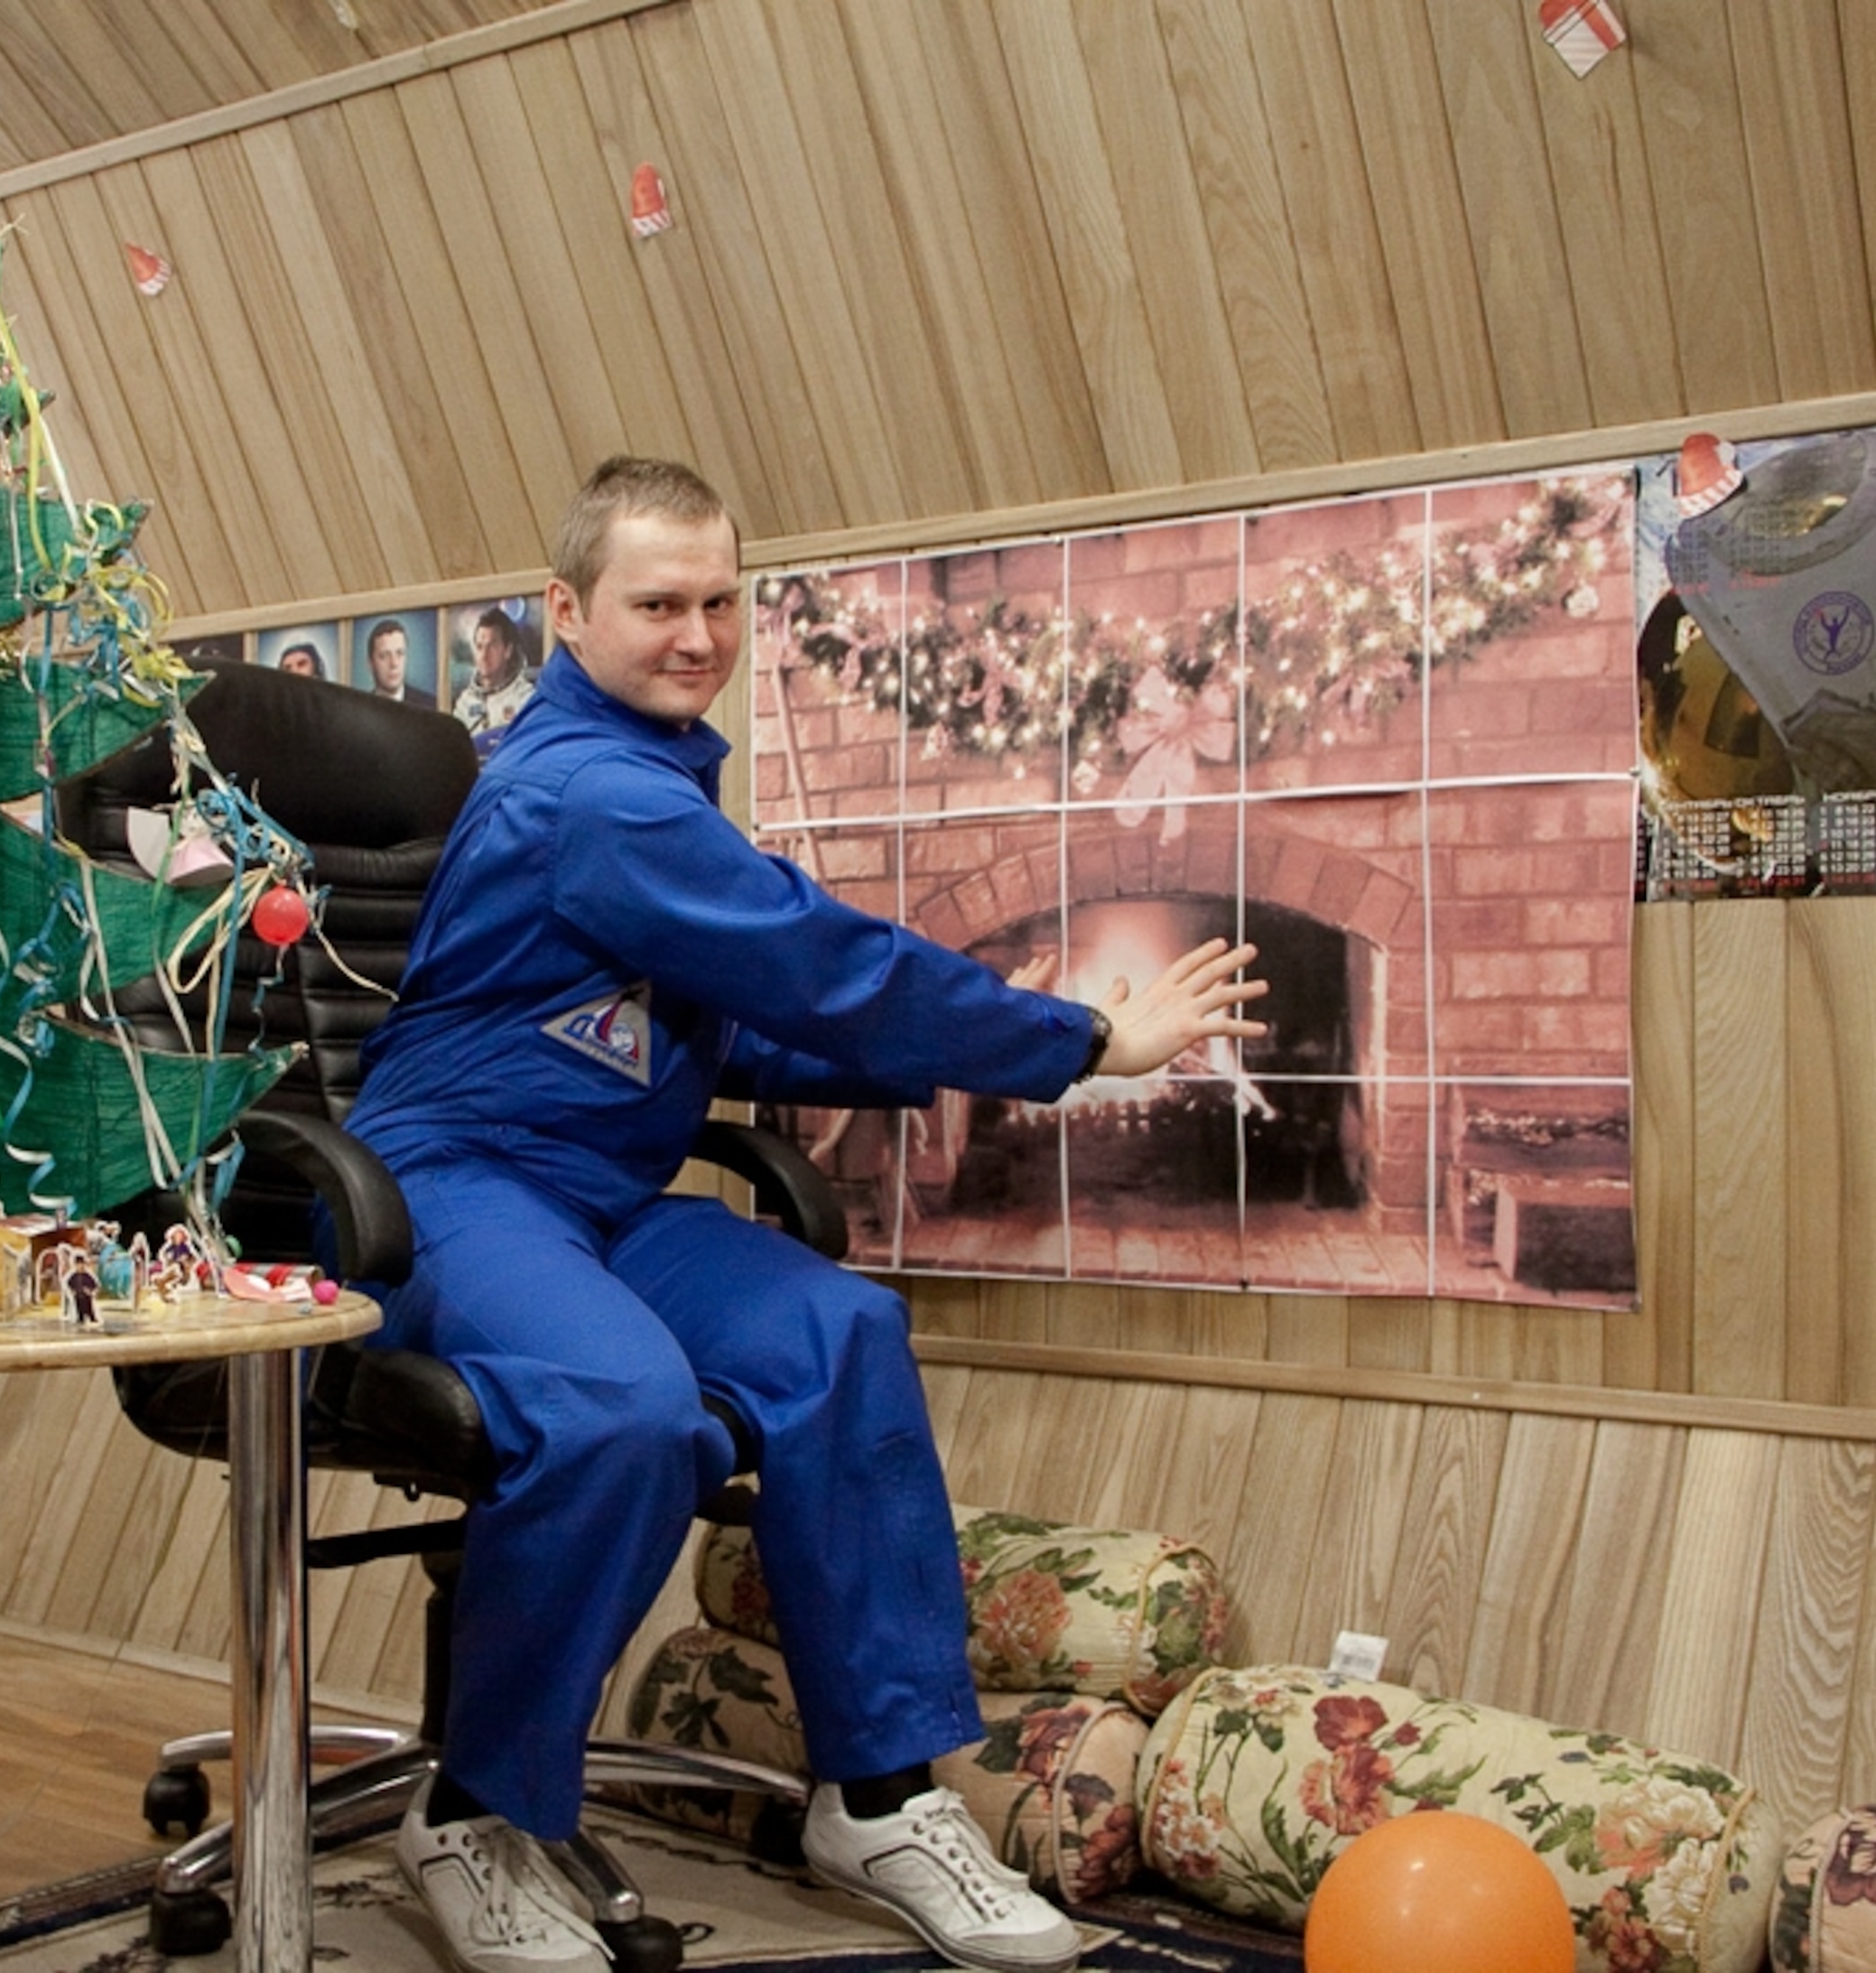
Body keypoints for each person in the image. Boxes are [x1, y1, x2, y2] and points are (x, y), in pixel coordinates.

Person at [339, 458, 1267, 1973]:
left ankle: (880, 1797)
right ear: (566, 613)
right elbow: (817, 962)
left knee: (838, 1331)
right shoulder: (588, 794)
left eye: (718, 600)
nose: (696, 633)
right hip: (451, 1187)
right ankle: (470, 1810)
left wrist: (1031, 1047)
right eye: (656, 603)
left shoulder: (646, 783)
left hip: (599, 1202)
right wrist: (1074, 1046)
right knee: (624, 1412)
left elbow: (734, 1027)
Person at [453, 604, 538, 754]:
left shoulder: (526, 698)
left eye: (491, 646)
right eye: (480, 647)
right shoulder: (465, 703)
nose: (484, 655)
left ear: (507, 651)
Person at [363, 617, 415, 702]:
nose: (394, 664)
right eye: (384, 656)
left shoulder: (431, 706)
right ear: (370, 663)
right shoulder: (359, 708)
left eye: (399, 653)